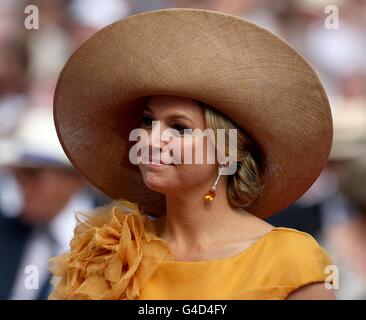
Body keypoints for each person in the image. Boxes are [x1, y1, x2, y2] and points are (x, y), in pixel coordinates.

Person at [48, 8, 335, 300]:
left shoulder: (290, 261)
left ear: (227, 152)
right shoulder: (108, 253)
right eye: (148, 121)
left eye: (179, 127)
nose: (150, 139)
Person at [0, 106, 105, 299]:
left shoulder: (114, 242)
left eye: (32, 174)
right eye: (18, 175)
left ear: (72, 178)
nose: (22, 186)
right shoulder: (8, 231)